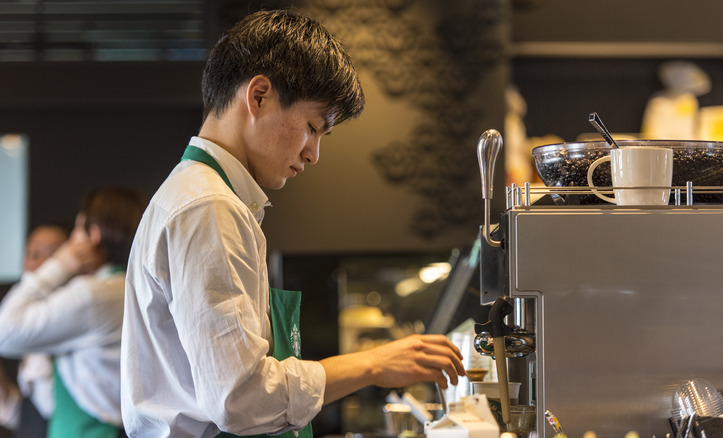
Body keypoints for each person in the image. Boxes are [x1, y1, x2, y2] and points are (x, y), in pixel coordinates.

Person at [120, 9, 466, 438]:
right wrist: (374, 363)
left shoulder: (209, 197)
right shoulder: (209, 207)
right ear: (259, 96)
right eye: (312, 127)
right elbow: (240, 398)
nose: (313, 154)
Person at [0, 187, 147, 438]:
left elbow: (5, 332)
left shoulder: (93, 295)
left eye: (77, 229)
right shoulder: (130, 286)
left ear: (94, 236)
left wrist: (59, 266)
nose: (70, 241)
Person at [0, 224, 68, 438]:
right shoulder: (26, 325)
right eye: (34, 254)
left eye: (54, 256)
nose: (42, 265)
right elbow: (22, 415)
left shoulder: (76, 320)